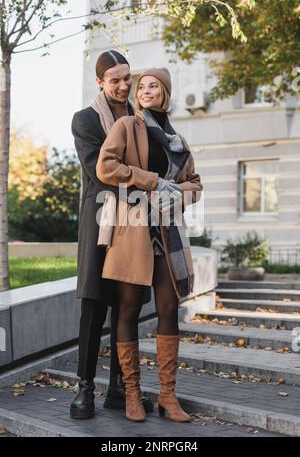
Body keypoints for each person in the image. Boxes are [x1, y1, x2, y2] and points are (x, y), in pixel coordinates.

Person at [96, 68, 203, 422]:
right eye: (140, 86)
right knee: (127, 310)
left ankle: (168, 396)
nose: (144, 90)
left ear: (166, 92)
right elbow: (106, 166)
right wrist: (152, 182)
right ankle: (131, 394)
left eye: (152, 86)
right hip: (134, 229)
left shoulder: (176, 139)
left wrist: (177, 195)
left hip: (169, 231)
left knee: (169, 307)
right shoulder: (126, 126)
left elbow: (195, 184)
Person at [70, 50, 153, 419]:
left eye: (126, 78)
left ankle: (120, 388)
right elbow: (100, 171)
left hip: (134, 222)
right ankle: (84, 388)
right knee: (93, 305)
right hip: (101, 220)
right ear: (101, 81)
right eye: (115, 79)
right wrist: (145, 183)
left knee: (127, 304)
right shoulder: (86, 120)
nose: (123, 86)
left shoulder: (141, 118)